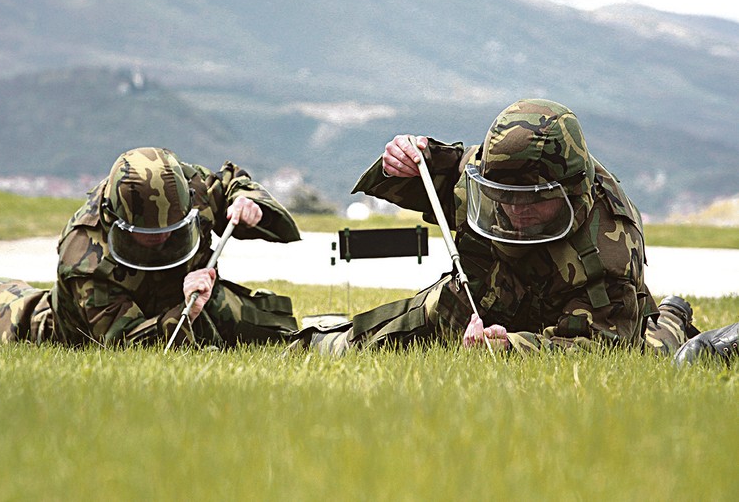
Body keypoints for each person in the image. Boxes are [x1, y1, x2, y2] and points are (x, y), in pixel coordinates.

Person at [298, 98, 738, 365]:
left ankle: (673, 316)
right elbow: (447, 176)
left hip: (576, 311)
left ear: (569, 191)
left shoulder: (609, 250)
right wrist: (415, 160)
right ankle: (308, 342)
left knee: (649, 351)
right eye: (501, 196)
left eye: (530, 200)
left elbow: (596, 346)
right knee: (416, 318)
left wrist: (514, 347)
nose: (513, 210)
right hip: (496, 291)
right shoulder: (494, 174)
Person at [0, 146, 301, 348]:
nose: (161, 240)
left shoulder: (186, 187)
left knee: (267, 325)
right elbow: (124, 341)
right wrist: (185, 315)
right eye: (148, 233)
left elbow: (234, 183)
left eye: (172, 231)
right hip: (84, 323)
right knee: (19, 316)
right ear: (116, 220)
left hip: (177, 296)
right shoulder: (83, 259)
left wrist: (249, 203)